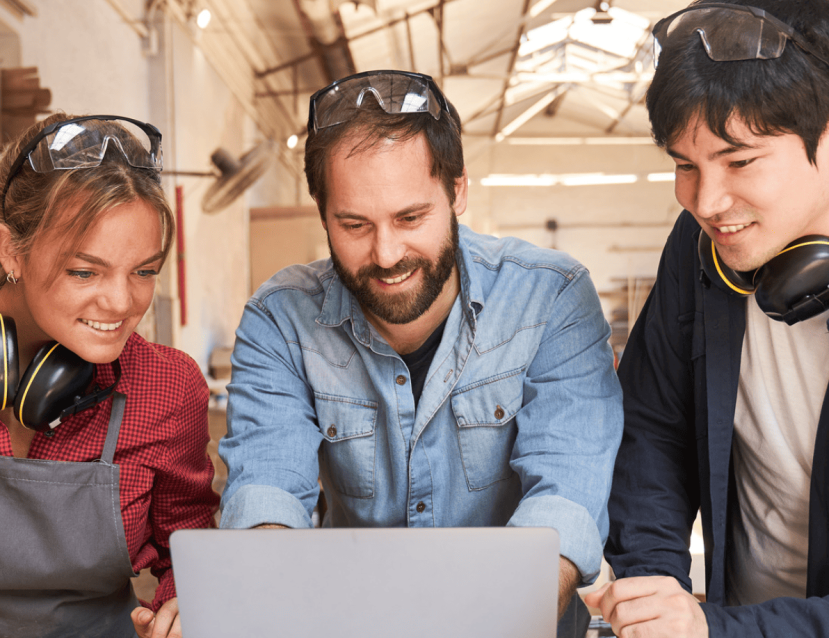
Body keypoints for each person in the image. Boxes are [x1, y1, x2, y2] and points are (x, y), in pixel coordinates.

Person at [219, 69, 623, 635]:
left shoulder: (552, 297)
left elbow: (567, 492)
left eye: (410, 218)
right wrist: (270, 592)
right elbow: (266, 489)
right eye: (354, 224)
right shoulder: (278, 318)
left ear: (457, 190)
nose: (386, 254)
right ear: (322, 212)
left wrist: (508, 618)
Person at [583, 1, 829, 636]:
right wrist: (654, 586)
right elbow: (654, 431)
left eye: (739, 160)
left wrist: (713, 631)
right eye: (683, 165)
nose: (706, 202)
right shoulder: (700, 251)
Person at [0, 113, 220, 638]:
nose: (122, 303)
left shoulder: (166, 387)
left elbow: (186, 545)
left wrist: (181, 605)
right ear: (9, 250)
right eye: (85, 271)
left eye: (144, 271)